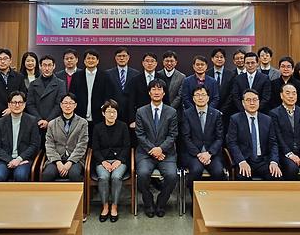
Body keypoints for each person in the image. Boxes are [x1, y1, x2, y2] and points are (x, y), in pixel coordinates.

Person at [135, 79, 178, 217]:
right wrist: (154, 150)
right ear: (149, 92)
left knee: (172, 176)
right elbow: (140, 135)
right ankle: (148, 203)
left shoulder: (171, 112)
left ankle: (161, 202)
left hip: (167, 154)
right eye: (153, 89)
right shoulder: (141, 112)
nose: (156, 92)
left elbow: (173, 135)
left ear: (164, 93)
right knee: (141, 175)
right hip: (145, 154)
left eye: (159, 89)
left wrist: (161, 149)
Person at [227, 89, 282, 180]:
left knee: (277, 177)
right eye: (248, 100)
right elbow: (232, 143)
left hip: (263, 161)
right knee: (242, 179)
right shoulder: (235, 119)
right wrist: (241, 161)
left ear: (259, 102)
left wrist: (274, 162)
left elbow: (273, 143)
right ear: (243, 103)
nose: (252, 103)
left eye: (255, 100)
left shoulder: (267, 120)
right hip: (245, 160)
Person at [181, 87, 224, 196]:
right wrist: (199, 154)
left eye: (203, 95)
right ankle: (195, 202)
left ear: (208, 98)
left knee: (218, 171)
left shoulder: (216, 114)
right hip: (194, 154)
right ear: (193, 99)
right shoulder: (187, 114)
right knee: (196, 170)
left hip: (211, 154)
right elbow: (186, 137)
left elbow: (219, 138)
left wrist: (209, 153)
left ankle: (213, 200)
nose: (200, 97)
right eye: (197, 95)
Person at [92, 99, 130, 222]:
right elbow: (95, 149)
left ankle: (114, 206)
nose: (111, 114)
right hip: (102, 161)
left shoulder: (123, 126)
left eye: (114, 111)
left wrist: (119, 160)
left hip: (119, 160)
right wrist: (103, 162)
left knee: (116, 177)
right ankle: (105, 206)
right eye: (108, 112)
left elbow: (126, 146)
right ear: (103, 113)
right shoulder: (97, 128)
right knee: (103, 177)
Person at [0, 91, 41, 181]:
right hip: (4, 160)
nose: (17, 105)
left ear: (24, 104)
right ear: (9, 105)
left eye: (20, 102)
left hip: (23, 160)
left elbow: (34, 145)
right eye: (14, 102)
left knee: (20, 175)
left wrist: (19, 159)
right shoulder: (0, 123)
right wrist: (11, 160)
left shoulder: (32, 121)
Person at [42, 93, 88, 181]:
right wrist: (58, 162)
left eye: (71, 103)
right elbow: (49, 145)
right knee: (48, 174)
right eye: (65, 103)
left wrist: (70, 162)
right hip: (56, 159)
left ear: (75, 105)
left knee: (74, 174)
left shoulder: (82, 123)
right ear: (61, 105)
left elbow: (82, 145)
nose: (68, 106)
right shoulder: (52, 123)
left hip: (75, 160)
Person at [70, 49, 110, 139]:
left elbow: (108, 96)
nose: (90, 60)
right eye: (88, 58)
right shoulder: (76, 76)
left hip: (99, 117)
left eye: (93, 58)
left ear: (98, 61)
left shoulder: (105, 76)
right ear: (84, 61)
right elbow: (72, 96)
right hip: (80, 116)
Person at [26, 55, 66, 140]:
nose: (47, 68)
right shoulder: (33, 84)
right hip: (36, 123)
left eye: (49, 65)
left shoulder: (61, 83)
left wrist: (48, 121)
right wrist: (39, 119)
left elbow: (60, 104)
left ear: (54, 66)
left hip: (54, 123)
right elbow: (30, 104)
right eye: (44, 65)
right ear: (40, 66)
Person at [127, 52, 166, 127]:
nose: (150, 63)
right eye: (147, 61)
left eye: (152, 61)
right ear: (143, 63)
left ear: (156, 63)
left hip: (158, 116)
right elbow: (131, 101)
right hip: (140, 116)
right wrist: (132, 120)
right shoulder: (135, 80)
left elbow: (166, 99)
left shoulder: (162, 78)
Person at [106, 47, 140, 123]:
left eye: (124, 56)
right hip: (113, 111)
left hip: (131, 113)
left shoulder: (136, 74)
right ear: (115, 58)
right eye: (119, 56)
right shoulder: (108, 74)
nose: (121, 58)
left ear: (128, 57)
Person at [206, 48, 234, 112]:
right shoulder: (207, 74)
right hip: (209, 110)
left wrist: (223, 110)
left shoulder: (231, 75)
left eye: (221, 57)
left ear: (224, 59)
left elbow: (231, 95)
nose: (219, 59)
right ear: (212, 59)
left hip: (227, 111)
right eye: (216, 57)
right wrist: (211, 108)